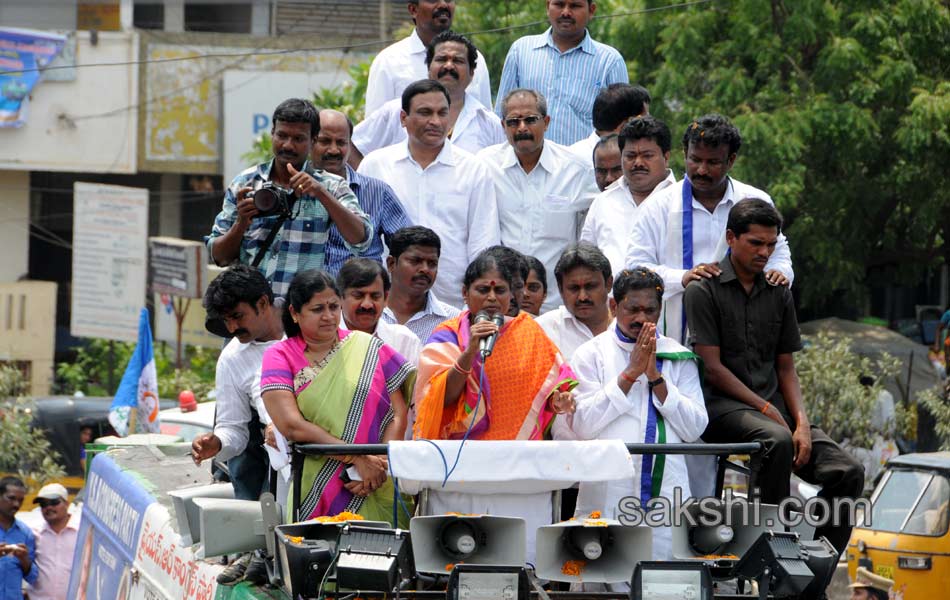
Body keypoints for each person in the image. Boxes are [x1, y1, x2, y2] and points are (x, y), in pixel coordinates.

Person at [684, 200, 864, 555]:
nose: (765, 252)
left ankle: (814, 575)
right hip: (721, 409)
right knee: (778, 439)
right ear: (731, 238)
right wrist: (768, 409)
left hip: (776, 413)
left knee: (849, 470)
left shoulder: (780, 291)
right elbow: (714, 370)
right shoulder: (702, 289)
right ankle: (772, 555)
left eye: (771, 244)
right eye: (756, 243)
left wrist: (802, 422)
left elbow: (786, 367)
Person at [412, 249, 577, 561]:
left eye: (500, 290)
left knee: (519, 564)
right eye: (482, 289)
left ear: (511, 295)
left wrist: (560, 400)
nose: (491, 297)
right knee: (459, 560)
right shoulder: (446, 336)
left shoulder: (529, 332)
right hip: (461, 473)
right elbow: (438, 400)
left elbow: (549, 389)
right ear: (465, 293)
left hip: (518, 473)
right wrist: (471, 349)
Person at [570, 268, 707, 562]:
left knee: (662, 580)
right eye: (633, 309)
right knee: (603, 573)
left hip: (666, 490)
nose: (641, 319)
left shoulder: (678, 356)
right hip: (608, 487)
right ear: (613, 306)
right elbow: (582, 425)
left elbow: (695, 427)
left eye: (650, 310)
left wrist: (656, 378)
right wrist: (631, 373)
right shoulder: (591, 354)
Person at [261, 270, 415, 524]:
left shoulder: (365, 345)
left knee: (382, 556)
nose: (329, 316)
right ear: (295, 313)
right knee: (320, 557)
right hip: (318, 485)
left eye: (334, 306)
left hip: (377, 481)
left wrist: (379, 465)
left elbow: (398, 412)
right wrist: (357, 460)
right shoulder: (280, 356)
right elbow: (291, 425)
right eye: (317, 309)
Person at [626, 113, 794, 344]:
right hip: (676, 336)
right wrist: (683, 277)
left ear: (731, 160)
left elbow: (779, 251)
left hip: (743, 335)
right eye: (695, 159)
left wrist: (780, 271)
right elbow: (635, 268)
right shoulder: (657, 206)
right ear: (684, 154)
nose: (702, 170)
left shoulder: (754, 199)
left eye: (712, 162)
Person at [207, 98, 371, 298]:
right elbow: (219, 257)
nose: (288, 145)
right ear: (272, 134)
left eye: (298, 139)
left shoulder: (330, 186)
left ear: (313, 141)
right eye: (282, 136)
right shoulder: (245, 183)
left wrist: (321, 194)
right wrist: (241, 222)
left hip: (301, 317)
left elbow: (362, 239)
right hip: (253, 314)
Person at [358, 80, 500, 308]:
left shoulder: (473, 169)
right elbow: (362, 238)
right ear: (403, 118)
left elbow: (484, 243)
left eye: (442, 113)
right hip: (385, 307)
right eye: (425, 113)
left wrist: (472, 306)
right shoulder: (375, 165)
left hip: (452, 306)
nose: (435, 121)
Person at [191, 266, 285, 585]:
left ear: (263, 303)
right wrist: (216, 443)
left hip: (327, 440)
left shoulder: (309, 319)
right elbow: (234, 429)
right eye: (226, 320)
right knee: (247, 455)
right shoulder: (232, 358)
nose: (232, 327)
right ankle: (254, 547)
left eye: (237, 316)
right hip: (275, 458)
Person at [479, 88, 598, 312]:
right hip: (503, 306)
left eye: (530, 120)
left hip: (556, 305)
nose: (522, 128)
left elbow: (598, 223)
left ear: (546, 122)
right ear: (503, 125)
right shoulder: (485, 166)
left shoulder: (575, 169)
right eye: (514, 121)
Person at [352, 31, 504, 165]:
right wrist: (368, 187)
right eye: (441, 59)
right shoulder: (396, 111)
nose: (449, 66)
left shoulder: (490, 124)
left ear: (472, 73)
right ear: (428, 69)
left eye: (458, 61)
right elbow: (352, 146)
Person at [495, 0, 628, 145]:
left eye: (575, 6)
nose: (566, 12)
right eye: (559, 4)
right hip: (527, 163)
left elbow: (622, 127)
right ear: (548, 7)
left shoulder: (609, 61)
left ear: (591, 10)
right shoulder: (521, 51)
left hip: (585, 165)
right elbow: (501, 116)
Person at [313, 109, 411, 276]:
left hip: (362, 297)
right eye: (325, 141)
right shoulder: (293, 187)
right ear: (309, 141)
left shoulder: (378, 192)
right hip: (309, 297)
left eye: (341, 143)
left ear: (350, 145)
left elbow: (409, 247)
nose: (334, 150)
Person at [582, 116, 676, 275]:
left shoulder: (680, 200)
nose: (638, 163)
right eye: (630, 156)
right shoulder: (603, 202)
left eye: (647, 155)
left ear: (666, 157)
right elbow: (586, 261)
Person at [365, 0, 492, 116]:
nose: (443, 4)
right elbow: (375, 132)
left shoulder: (475, 60)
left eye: (448, 0)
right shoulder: (389, 61)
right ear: (413, 10)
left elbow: (486, 122)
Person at [381, 226, 461, 344]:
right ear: (391, 264)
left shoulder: (454, 320)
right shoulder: (367, 312)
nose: (425, 269)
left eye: (432, 263)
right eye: (415, 261)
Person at [536, 243, 613, 362]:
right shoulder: (542, 330)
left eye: (591, 286)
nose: (582, 297)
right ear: (561, 289)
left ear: (608, 284)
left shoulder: (627, 325)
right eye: (574, 288)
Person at [338, 258, 422, 365]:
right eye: (358, 296)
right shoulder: (319, 339)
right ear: (339, 297)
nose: (367, 305)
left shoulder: (404, 341)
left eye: (375, 296)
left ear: (386, 298)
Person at [569, 83, 651, 165]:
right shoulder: (581, 163)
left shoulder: (574, 155)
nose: (649, 124)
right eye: (644, 120)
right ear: (627, 124)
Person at [27, 483, 80, 600]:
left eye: (54, 502)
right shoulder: (34, 534)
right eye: (43, 504)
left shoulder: (82, 534)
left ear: (67, 503)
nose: (49, 508)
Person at [0, 476, 37, 599]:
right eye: (11, 498)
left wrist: (24, 559)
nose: (16, 504)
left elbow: (32, 577)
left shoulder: (25, 533)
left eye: (20, 500)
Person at [484, 245, 529, 317]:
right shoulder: (460, 326)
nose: (511, 296)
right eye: (500, 288)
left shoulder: (536, 327)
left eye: (517, 287)